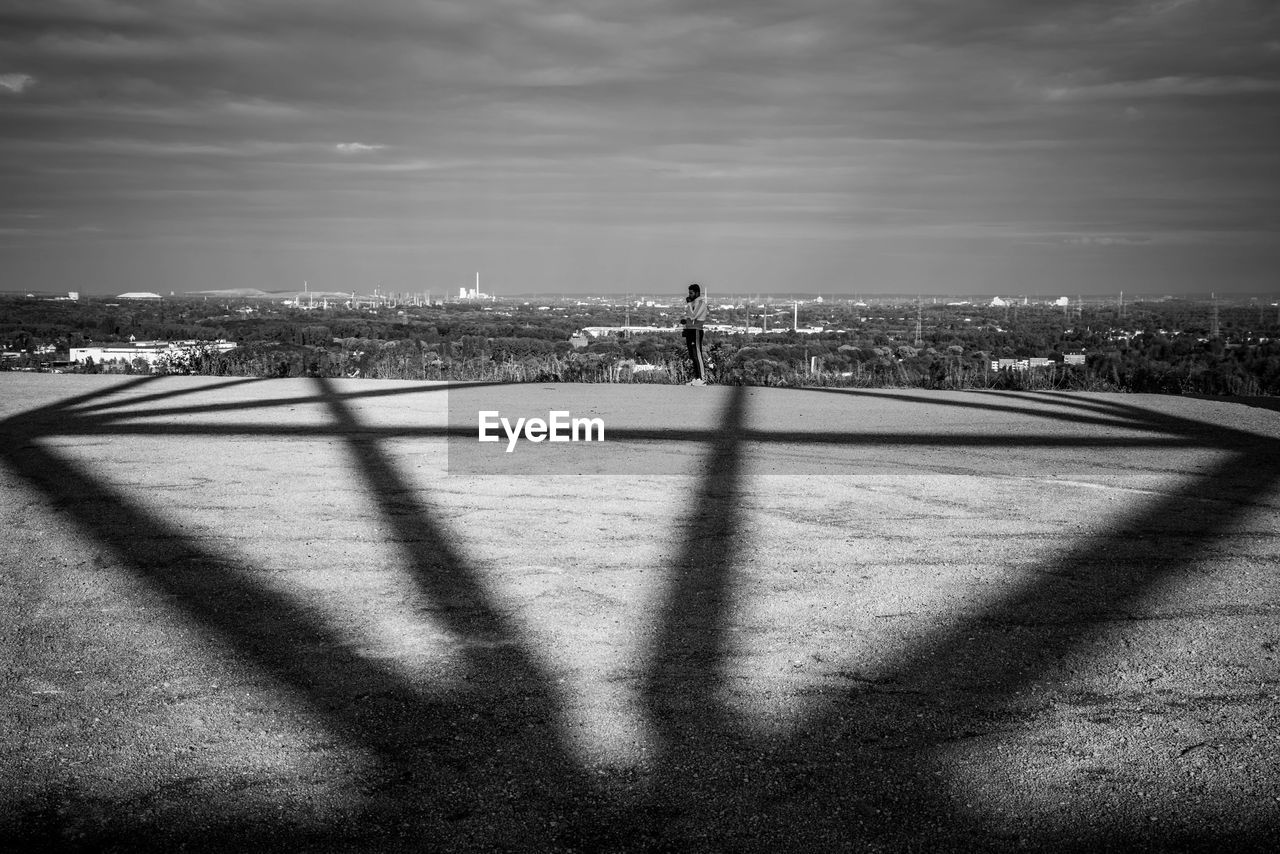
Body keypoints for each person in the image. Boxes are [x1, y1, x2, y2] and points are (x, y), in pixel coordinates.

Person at [681, 282, 709, 386]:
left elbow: (693, 316)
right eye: (689, 293)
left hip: (696, 330)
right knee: (692, 355)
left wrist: (688, 304)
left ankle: (702, 378)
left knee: (697, 353)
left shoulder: (701, 303)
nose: (689, 295)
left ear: (697, 293)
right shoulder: (692, 303)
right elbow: (689, 317)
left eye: (691, 293)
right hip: (689, 330)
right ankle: (696, 378)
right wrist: (685, 321)